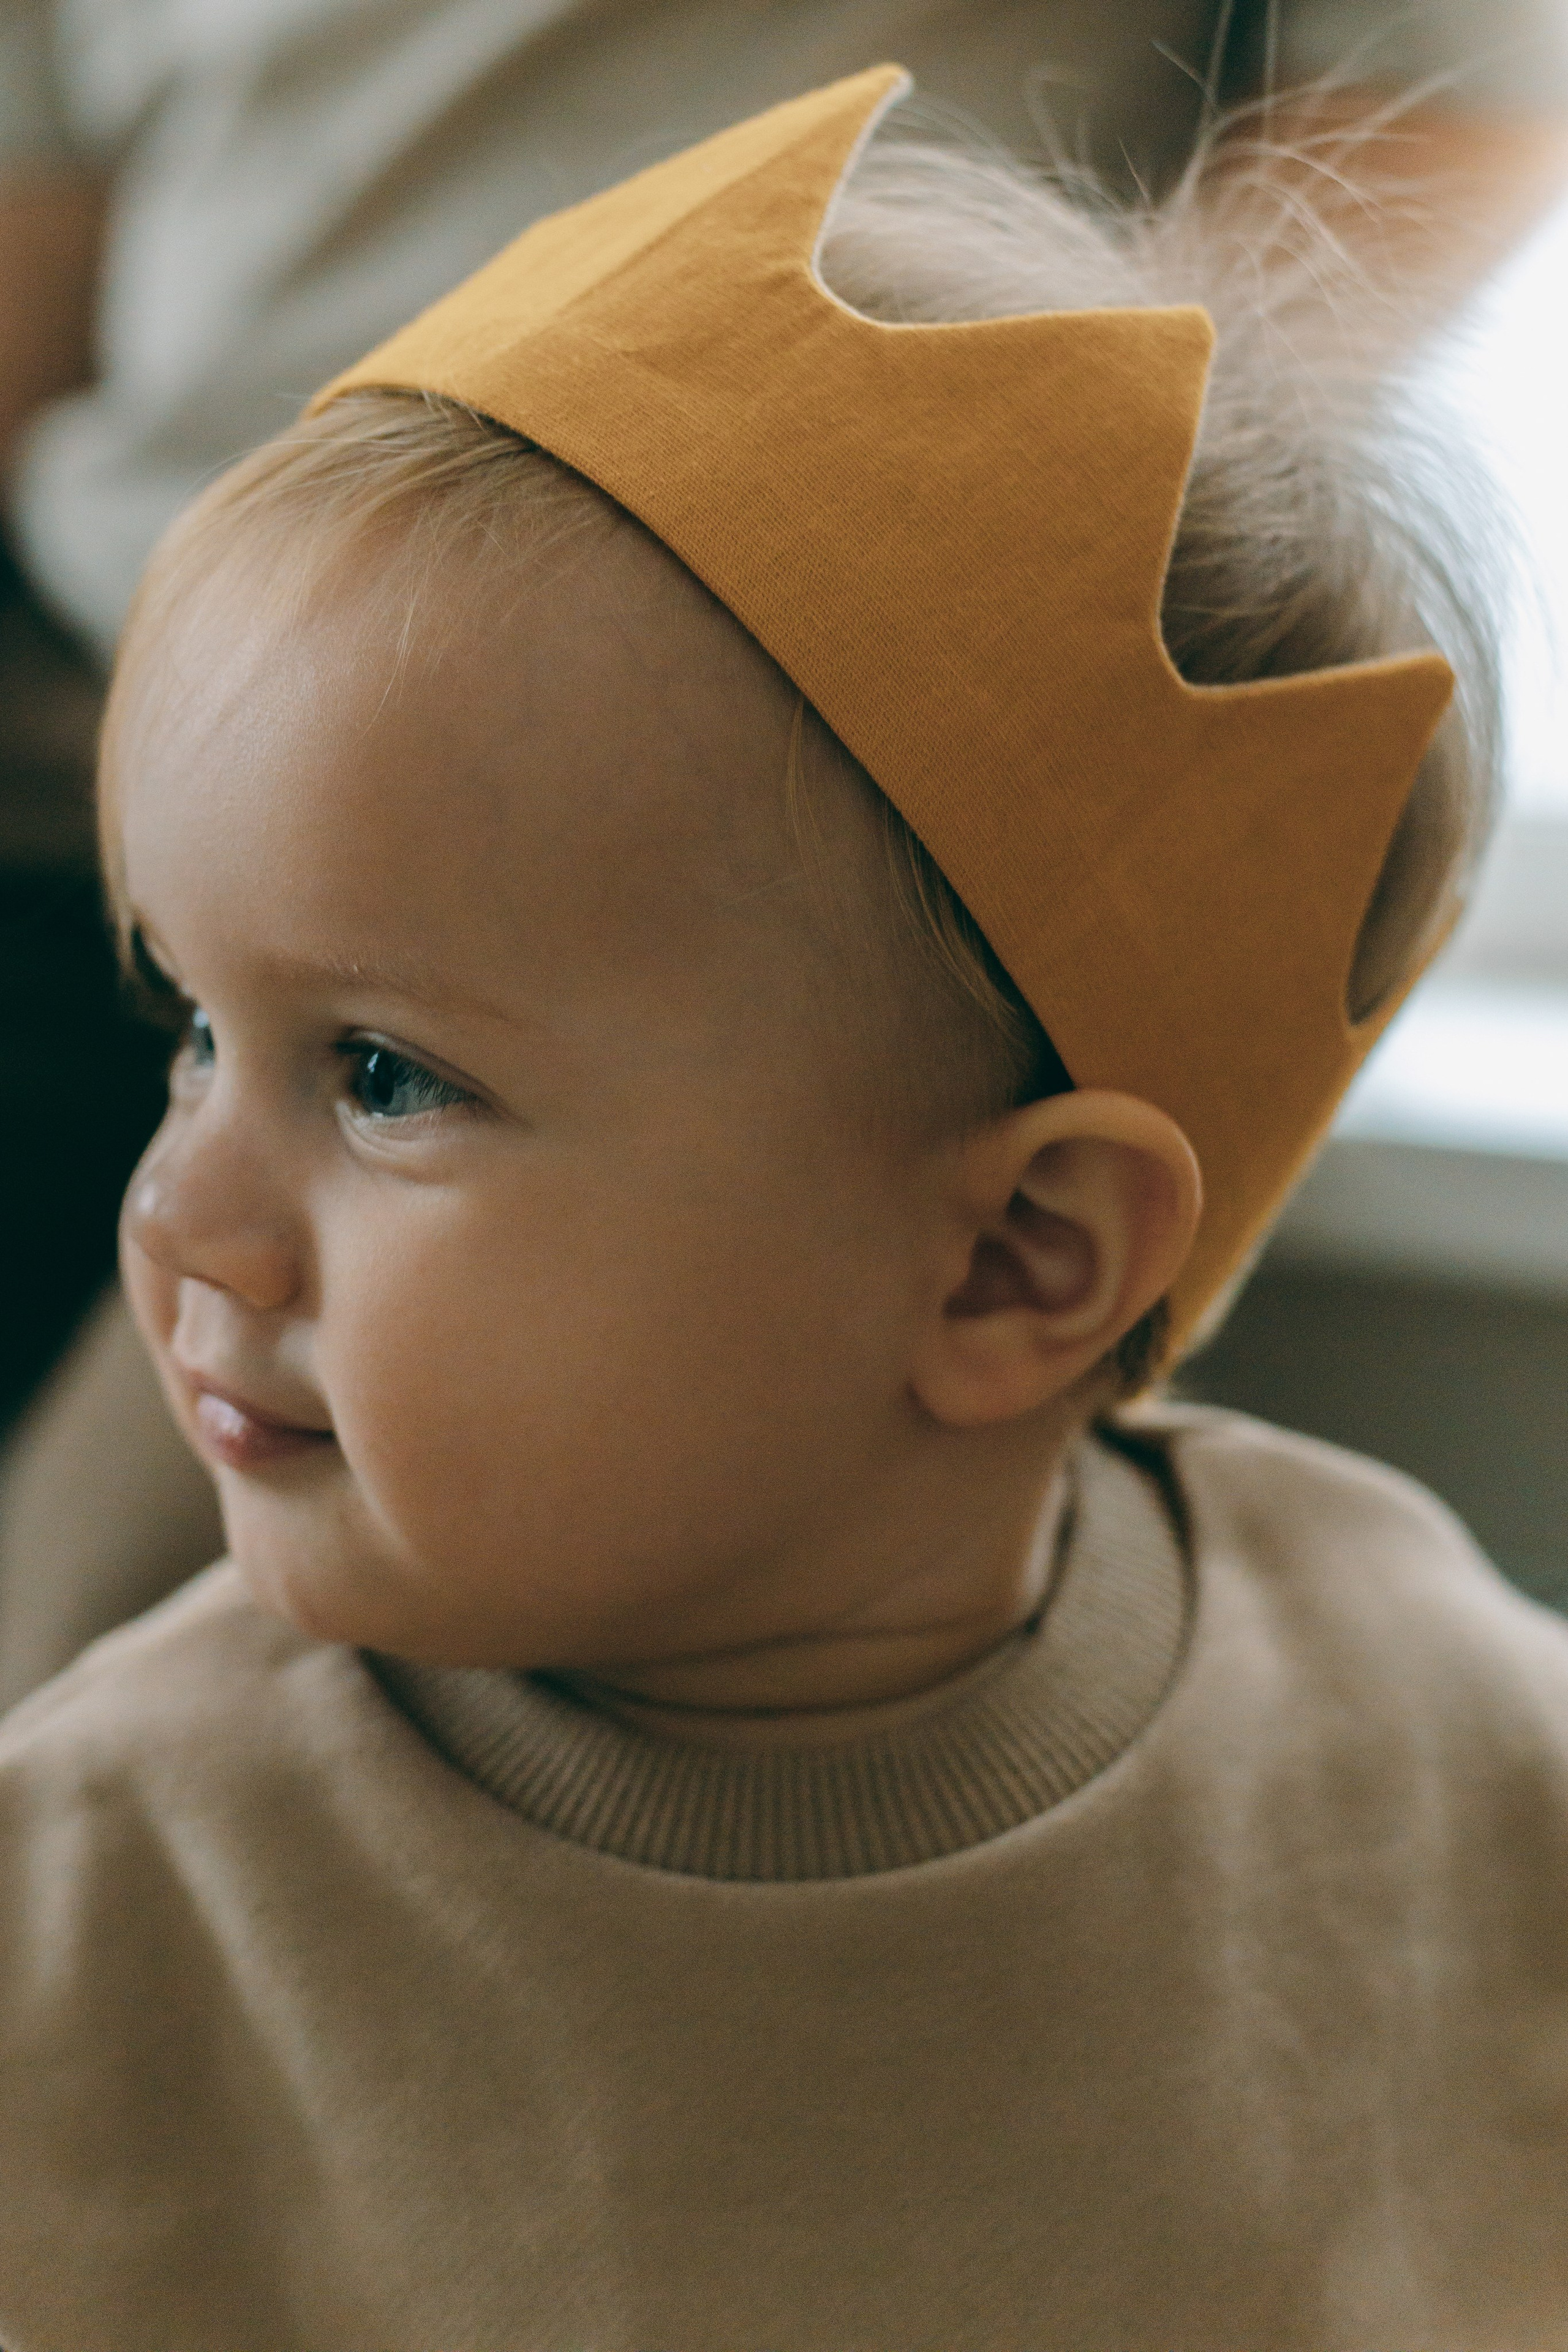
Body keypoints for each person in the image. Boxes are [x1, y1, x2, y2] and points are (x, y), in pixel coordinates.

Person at [3, 63, 1563, 2344]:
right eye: (193, 1031)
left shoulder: (1459, 1767)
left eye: (383, 1077)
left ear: (1015, 1261)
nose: (183, 1216)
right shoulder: (93, 1900)